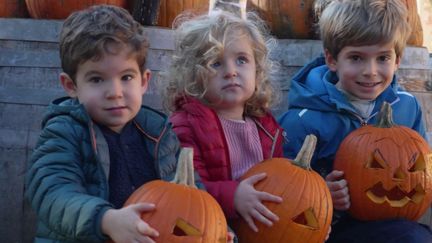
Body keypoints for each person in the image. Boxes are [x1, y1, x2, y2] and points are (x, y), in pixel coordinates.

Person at [24, 5, 209, 243]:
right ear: (71, 86)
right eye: (97, 79)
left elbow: (193, 195)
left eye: (126, 77)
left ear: (144, 81)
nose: (115, 92)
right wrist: (105, 219)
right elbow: (52, 193)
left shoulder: (159, 133)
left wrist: (214, 230)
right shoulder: (63, 133)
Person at [278, 0, 432, 242]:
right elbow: (283, 190)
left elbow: (422, 169)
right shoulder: (303, 120)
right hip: (326, 230)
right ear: (332, 60)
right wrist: (323, 193)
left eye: (383, 58)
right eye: (357, 58)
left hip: (393, 225)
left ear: (398, 60)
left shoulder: (407, 107)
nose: (370, 71)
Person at [162, 10, 285, 233]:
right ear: (194, 75)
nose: (231, 72)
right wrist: (233, 196)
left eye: (241, 60)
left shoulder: (265, 126)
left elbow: (284, 183)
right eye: (216, 63)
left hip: (262, 229)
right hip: (211, 229)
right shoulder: (186, 126)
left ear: (257, 70)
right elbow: (186, 190)